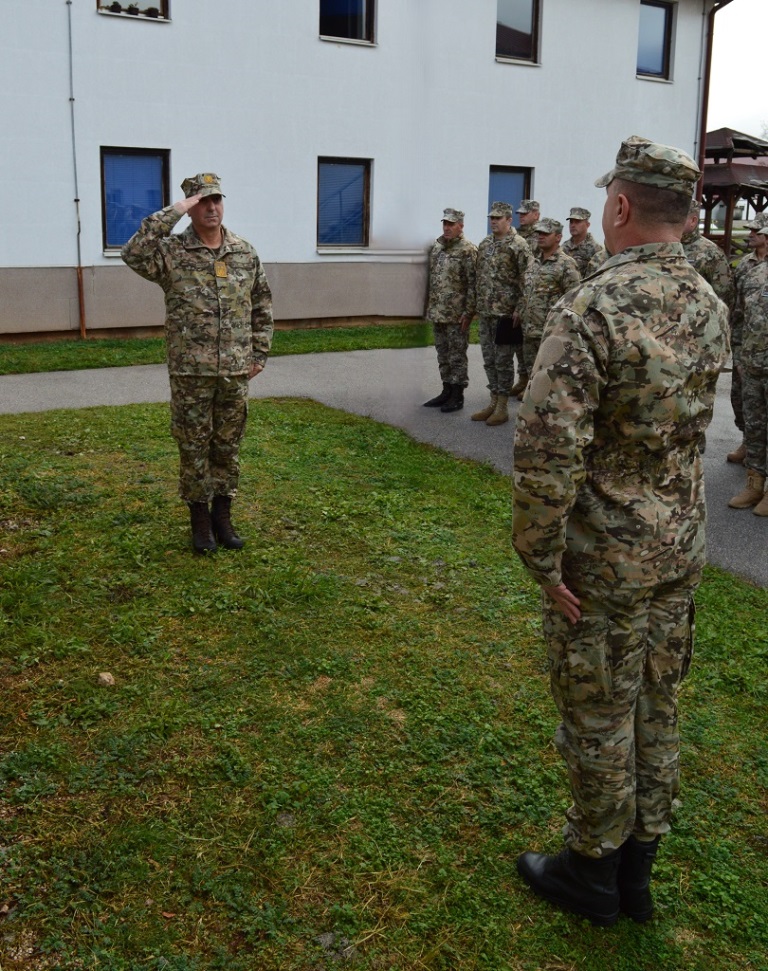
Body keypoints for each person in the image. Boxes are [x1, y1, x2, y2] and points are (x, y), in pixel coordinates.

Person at [512, 136, 730, 927]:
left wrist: (541, 557)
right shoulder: (709, 304)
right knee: (657, 705)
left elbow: (548, 451)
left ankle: (593, 871)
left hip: (605, 556)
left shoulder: (592, 306)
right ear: (687, 214)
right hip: (679, 546)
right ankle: (639, 870)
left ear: (620, 205)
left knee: (601, 712)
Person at [122, 173, 274, 554]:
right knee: (193, 446)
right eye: (202, 201)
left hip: (235, 371)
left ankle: (223, 517)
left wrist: (259, 353)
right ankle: (200, 522)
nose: (211, 207)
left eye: (216, 199)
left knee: (227, 445)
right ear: (190, 208)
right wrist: (173, 212)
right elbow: (133, 252)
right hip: (191, 371)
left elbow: (261, 304)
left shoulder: (244, 252)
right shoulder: (172, 253)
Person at [472, 202, 533, 425]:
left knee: (503, 361)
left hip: (506, 315)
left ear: (509, 220)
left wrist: (520, 308)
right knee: (489, 360)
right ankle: (493, 400)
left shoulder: (519, 245)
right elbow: (479, 276)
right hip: (486, 313)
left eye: (498, 218)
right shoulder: (485, 244)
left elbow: (528, 279)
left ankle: (502, 407)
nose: (494, 221)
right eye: (492, 218)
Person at [727, 223, 768, 514]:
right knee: (754, 427)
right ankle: (754, 484)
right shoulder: (753, 272)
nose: (753, 234)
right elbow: (739, 317)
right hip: (753, 363)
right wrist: (739, 356)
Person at [515, 218, 580, 393]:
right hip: (529, 331)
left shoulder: (566, 264)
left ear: (558, 237)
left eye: (545, 233)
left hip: (551, 334)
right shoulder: (533, 262)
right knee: (533, 377)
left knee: (552, 381)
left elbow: (574, 300)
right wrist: (520, 310)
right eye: (538, 233)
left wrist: (565, 331)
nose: (540, 236)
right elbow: (526, 290)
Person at [423, 208, 477, 413]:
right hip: (439, 312)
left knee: (457, 356)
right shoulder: (437, 248)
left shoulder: (468, 250)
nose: (447, 227)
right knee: (443, 354)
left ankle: (457, 394)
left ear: (460, 226)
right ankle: (446, 390)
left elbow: (473, 284)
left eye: (451, 224)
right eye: (445, 223)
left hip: (457, 315)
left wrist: (468, 312)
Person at [562, 207, 606, 277]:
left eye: (577, 222)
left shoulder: (596, 250)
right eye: (571, 222)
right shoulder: (563, 248)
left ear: (587, 225)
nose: (573, 225)